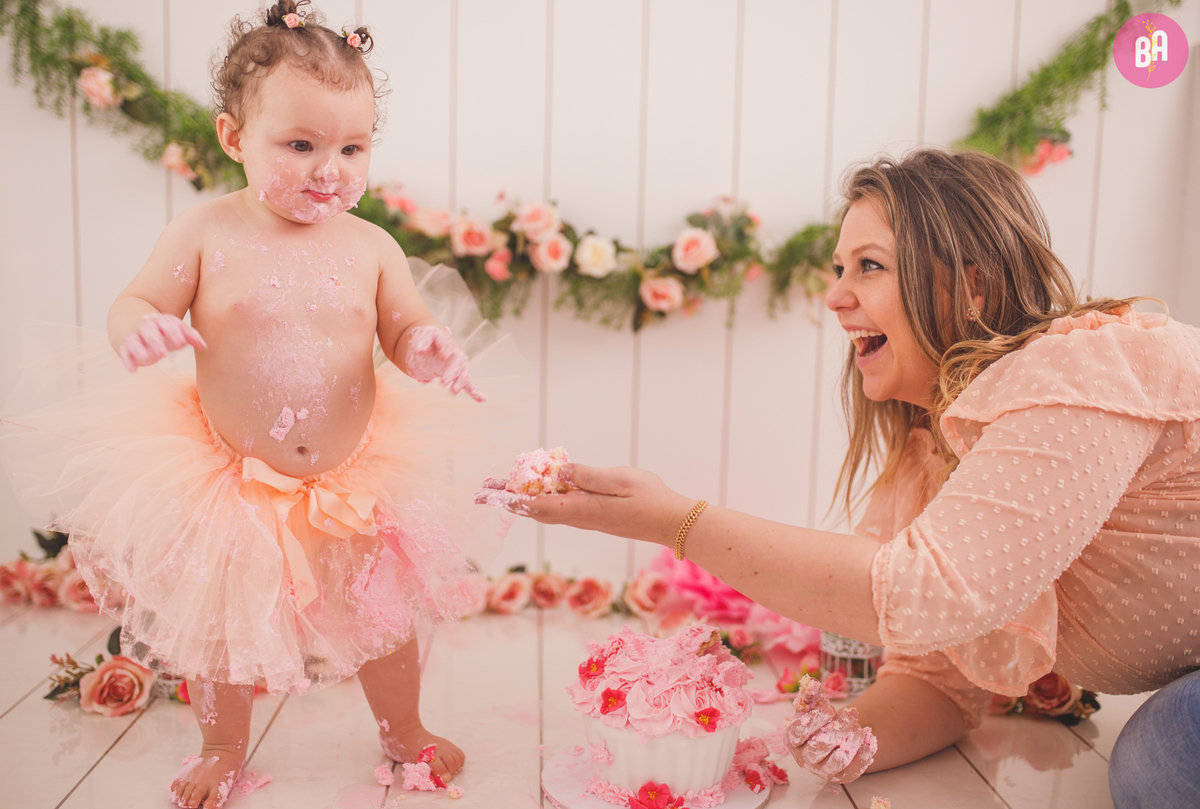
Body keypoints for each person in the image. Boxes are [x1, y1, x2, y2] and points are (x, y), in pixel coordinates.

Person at [503, 149, 1200, 806]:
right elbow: (936, 676)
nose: (835, 297)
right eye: (839, 268)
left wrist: (674, 521)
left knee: (1160, 753)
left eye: (869, 266)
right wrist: (854, 731)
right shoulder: (933, 457)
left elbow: (921, 594)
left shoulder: (1079, 372)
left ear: (972, 285)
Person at [0, 2, 514, 807]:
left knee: (380, 611)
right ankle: (220, 742)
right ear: (233, 138)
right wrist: (140, 329)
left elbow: (404, 325)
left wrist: (428, 347)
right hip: (227, 473)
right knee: (219, 622)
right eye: (300, 145)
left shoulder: (372, 246)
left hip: (353, 471)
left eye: (352, 147)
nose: (329, 168)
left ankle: (403, 728)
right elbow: (134, 300)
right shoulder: (205, 232)